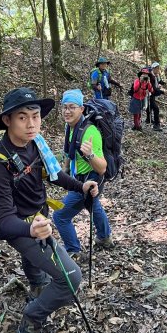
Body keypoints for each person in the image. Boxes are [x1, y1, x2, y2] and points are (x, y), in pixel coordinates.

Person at [0, 87, 98, 333]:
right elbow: (4, 220)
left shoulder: (36, 143)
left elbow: (55, 175)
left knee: (39, 267)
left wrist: (81, 186)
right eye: (22, 117)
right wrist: (29, 230)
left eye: (35, 116)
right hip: (18, 227)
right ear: (8, 121)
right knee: (71, 278)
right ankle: (30, 322)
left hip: (38, 218)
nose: (31, 123)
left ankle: (37, 287)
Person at [53, 89, 114, 257]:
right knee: (93, 206)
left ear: (81, 108)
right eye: (65, 107)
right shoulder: (70, 126)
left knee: (60, 217)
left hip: (90, 180)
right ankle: (105, 237)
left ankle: (73, 250)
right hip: (78, 178)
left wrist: (90, 154)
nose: (67, 111)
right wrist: (65, 170)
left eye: (72, 107)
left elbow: (102, 167)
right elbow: (69, 151)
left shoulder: (90, 132)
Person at [145, 62, 166, 132]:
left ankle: (148, 119)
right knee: (156, 109)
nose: (158, 70)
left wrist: (162, 83)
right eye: (157, 68)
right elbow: (153, 89)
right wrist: (162, 91)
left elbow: (158, 82)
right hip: (149, 94)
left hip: (152, 94)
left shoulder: (155, 75)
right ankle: (156, 125)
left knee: (150, 107)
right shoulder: (151, 77)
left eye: (159, 68)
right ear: (154, 68)